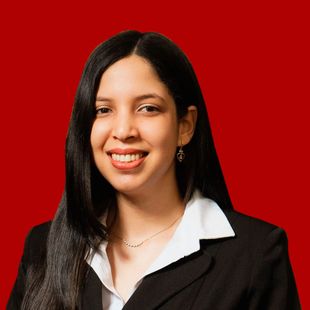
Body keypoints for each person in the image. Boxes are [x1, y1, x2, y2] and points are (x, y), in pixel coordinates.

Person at [7, 30, 301, 310]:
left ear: (185, 126)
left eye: (148, 108)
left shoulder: (254, 255)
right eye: (103, 110)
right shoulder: (43, 248)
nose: (123, 131)